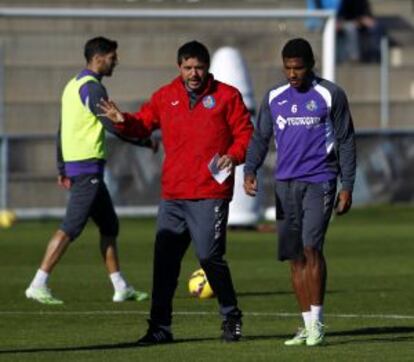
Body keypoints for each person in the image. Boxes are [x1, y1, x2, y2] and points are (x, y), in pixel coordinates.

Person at [98, 40, 253, 344]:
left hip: (211, 192)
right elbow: (143, 124)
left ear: (207, 68)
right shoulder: (165, 95)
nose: (193, 73)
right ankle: (160, 328)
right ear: (179, 67)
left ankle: (231, 316)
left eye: (198, 67)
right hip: (173, 195)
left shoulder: (227, 96)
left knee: (209, 256)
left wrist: (233, 156)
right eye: (187, 67)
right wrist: (123, 121)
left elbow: (246, 135)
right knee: (164, 263)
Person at [25, 36, 154, 305]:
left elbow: (62, 130)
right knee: (71, 227)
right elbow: (111, 125)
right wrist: (144, 140)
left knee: (109, 225)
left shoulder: (72, 85)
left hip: (79, 167)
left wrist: (62, 166)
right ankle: (38, 283)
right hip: (87, 169)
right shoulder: (93, 89)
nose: (116, 61)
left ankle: (120, 286)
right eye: (112, 57)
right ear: (99, 58)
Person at [243, 38, 356, 346]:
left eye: (299, 68)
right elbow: (260, 136)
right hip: (285, 183)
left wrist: (347, 186)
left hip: (320, 179)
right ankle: (306, 324)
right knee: (294, 256)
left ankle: (318, 323)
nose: (293, 74)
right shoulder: (274, 97)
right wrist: (250, 169)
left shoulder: (330, 95)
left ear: (311, 65)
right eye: (288, 68)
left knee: (310, 248)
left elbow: (345, 140)